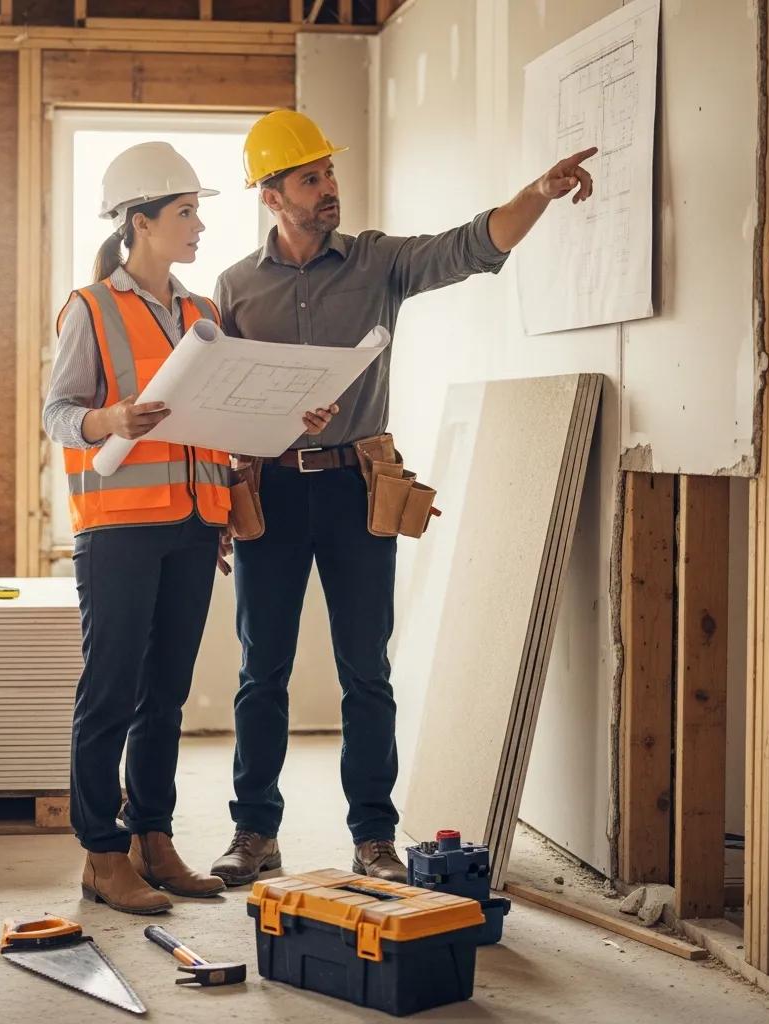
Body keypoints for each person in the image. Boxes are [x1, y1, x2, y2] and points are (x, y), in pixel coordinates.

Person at [209, 110, 597, 886]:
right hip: (272, 492)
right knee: (263, 671)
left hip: (358, 487)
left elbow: (471, 245)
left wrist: (539, 193)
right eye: (310, 179)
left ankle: (373, 838)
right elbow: (220, 398)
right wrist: (220, 491)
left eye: (329, 174)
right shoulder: (235, 286)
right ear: (272, 196)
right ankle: (254, 834)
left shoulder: (377, 262)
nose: (329, 189)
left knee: (365, 671)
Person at [42, 140, 336, 914]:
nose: (199, 226)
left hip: (197, 521)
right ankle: (102, 853)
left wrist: (287, 418)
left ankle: (152, 837)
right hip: (118, 526)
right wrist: (110, 417)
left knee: (165, 694)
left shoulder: (202, 313)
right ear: (140, 222)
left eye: (198, 213)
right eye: (184, 213)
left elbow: (223, 418)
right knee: (110, 690)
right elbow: (58, 414)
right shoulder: (91, 307)